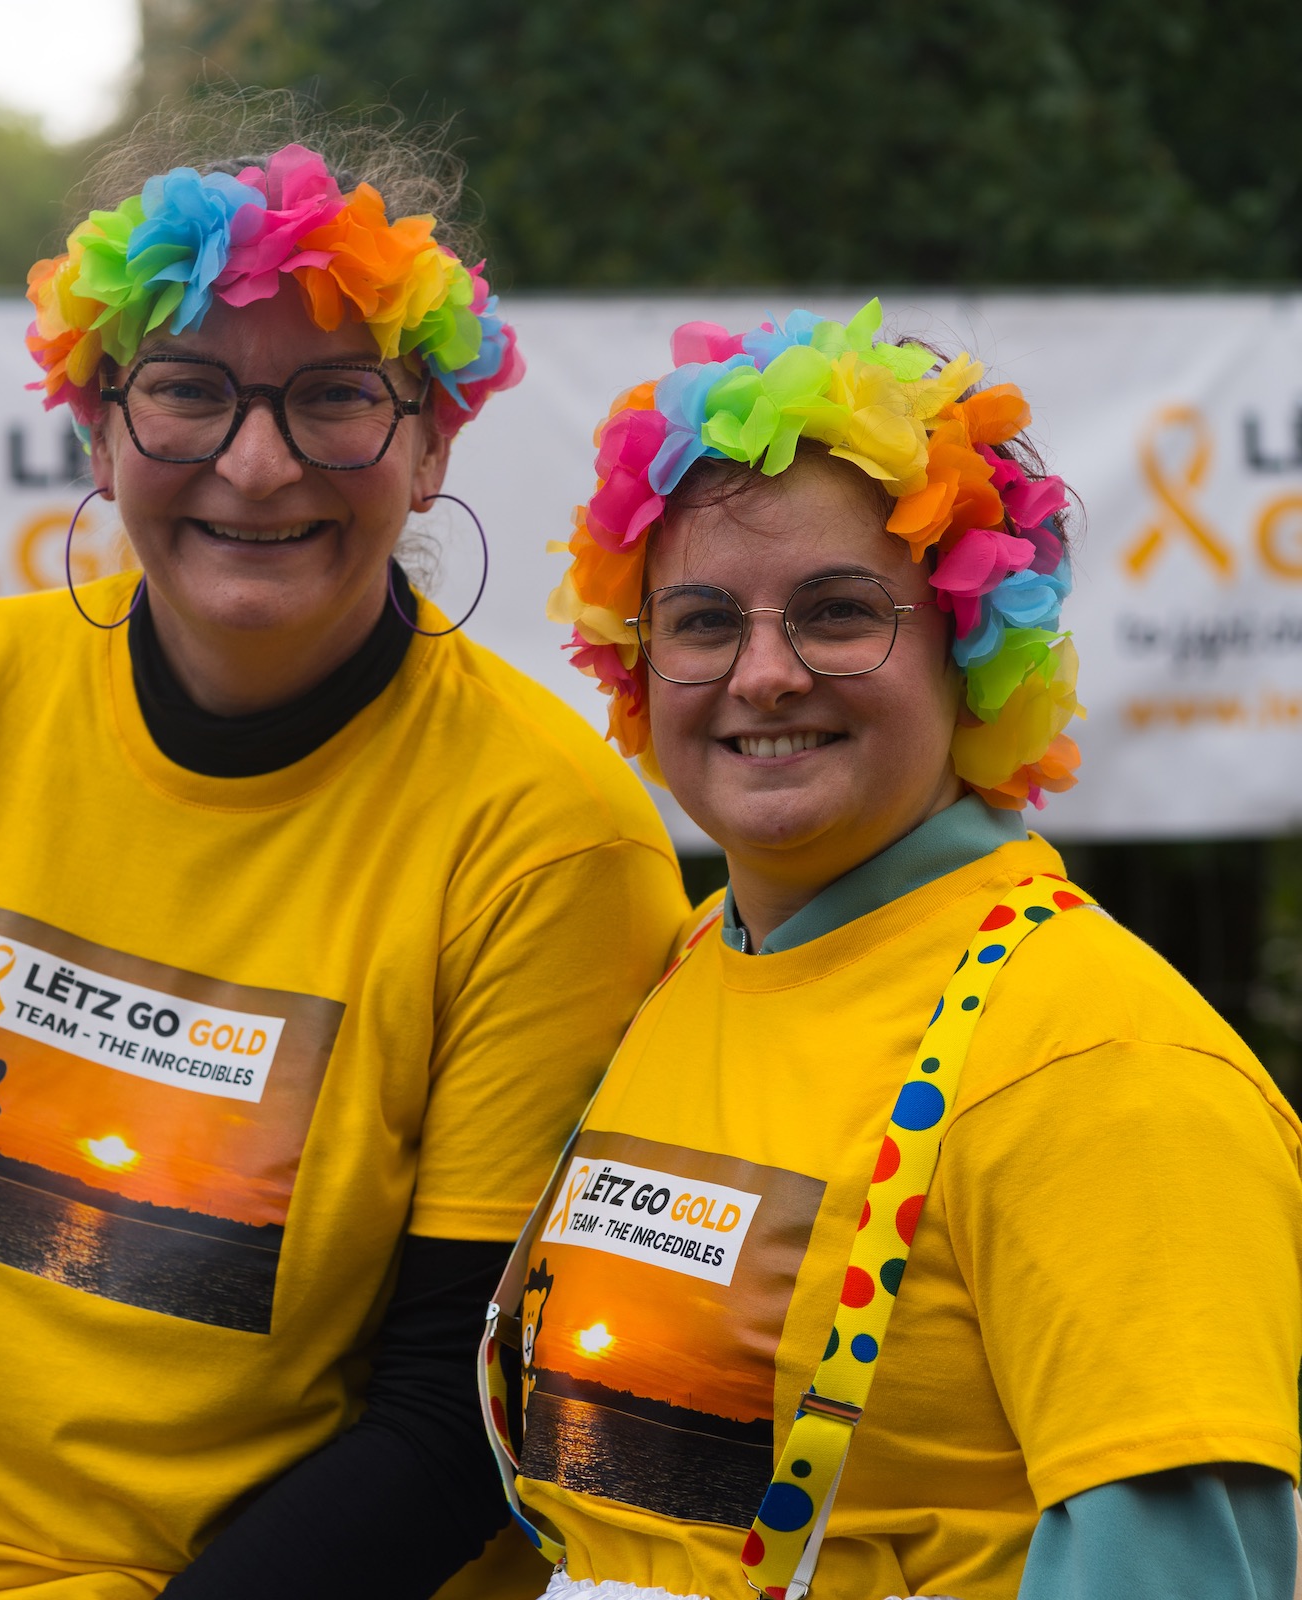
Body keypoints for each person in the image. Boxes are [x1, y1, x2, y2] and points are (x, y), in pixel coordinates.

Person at [0, 94, 690, 1600]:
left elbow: (463, 1421)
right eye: (187, 390)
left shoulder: (553, 839)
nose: (258, 464)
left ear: (432, 443)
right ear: (100, 428)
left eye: (337, 397)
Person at [484, 303, 1302, 1600]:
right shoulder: (692, 964)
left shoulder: (1104, 1067)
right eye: (701, 621)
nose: (765, 674)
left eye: (838, 612)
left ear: (971, 649)